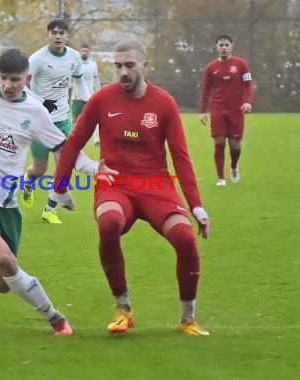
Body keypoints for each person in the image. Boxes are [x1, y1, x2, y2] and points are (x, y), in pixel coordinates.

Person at [0, 48, 110, 336]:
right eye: (3, 78)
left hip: (6, 204)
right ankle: (55, 318)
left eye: (15, 79)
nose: (7, 85)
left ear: (27, 78)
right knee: (7, 260)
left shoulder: (36, 111)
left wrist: (93, 168)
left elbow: (62, 147)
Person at [52, 39, 211, 336]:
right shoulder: (102, 99)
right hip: (115, 184)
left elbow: (181, 156)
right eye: (117, 66)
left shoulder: (164, 103)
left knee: (186, 238)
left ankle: (187, 318)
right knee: (109, 223)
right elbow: (73, 141)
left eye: (129, 65)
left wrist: (196, 205)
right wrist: (59, 186)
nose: (122, 72)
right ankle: (123, 309)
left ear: (144, 65)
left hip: (155, 185)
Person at [20, 19, 91, 224]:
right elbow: (21, 86)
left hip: (62, 121)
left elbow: (78, 79)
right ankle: (27, 183)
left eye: (62, 33)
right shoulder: (36, 59)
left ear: (67, 36)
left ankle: (49, 210)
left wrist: (87, 101)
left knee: (64, 164)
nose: (58, 36)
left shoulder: (74, 57)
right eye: (54, 33)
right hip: (40, 122)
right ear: (47, 36)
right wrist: (41, 102)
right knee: (39, 169)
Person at [199, 34, 254, 186]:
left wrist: (248, 102)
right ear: (216, 47)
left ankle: (234, 166)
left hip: (236, 111)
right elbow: (205, 90)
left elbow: (249, 85)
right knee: (219, 142)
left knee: (235, 146)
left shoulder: (241, 64)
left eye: (226, 45)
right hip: (218, 110)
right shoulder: (211, 68)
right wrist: (203, 111)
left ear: (232, 46)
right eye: (221, 45)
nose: (223, 48)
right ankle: (221, 178)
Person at [71, 44, 101, 145]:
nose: (84, 53)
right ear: (80, 52)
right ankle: (74, 138)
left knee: (95, 118)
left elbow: (96, 79)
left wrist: (98, 91)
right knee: (75, 119)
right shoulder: (75, 64)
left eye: (86, 51)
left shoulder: (93, 65)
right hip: (77, 96)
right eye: (83, 51)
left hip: (90, 96)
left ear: (89, 53)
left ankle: (97, 140)